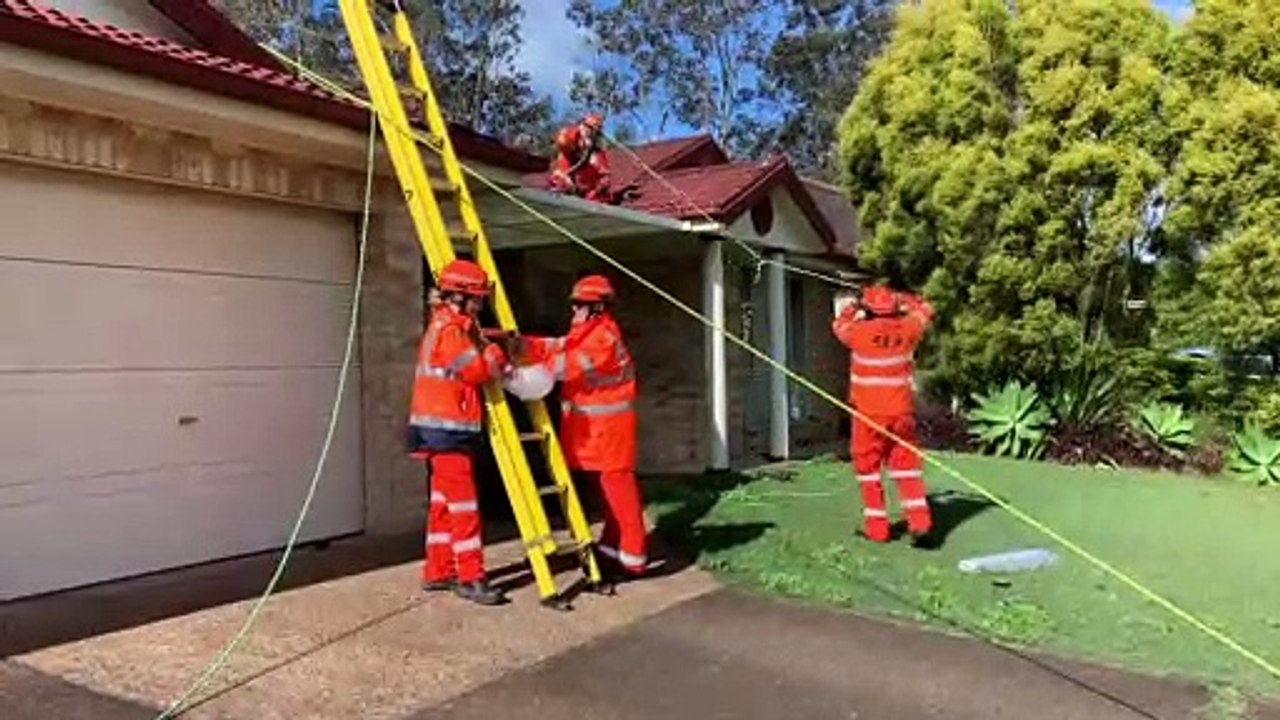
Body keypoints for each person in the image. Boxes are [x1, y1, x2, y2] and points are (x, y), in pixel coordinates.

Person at [520, 275, 648, 581]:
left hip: (610, 431)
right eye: (574, 304)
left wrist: (515, 370)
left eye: (581, 305)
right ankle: (611, 551)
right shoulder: (586, 332)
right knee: (608, 497)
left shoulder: (603, 337)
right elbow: (557, 346)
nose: (574, 310)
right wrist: (522, 344)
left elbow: (565, 366)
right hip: (596, 431)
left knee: (621, 497)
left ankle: (634, 561)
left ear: (598, 308)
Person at [409, 259, 511, 605]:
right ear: (460, 297)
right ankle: (471, 578)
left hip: (437, 433)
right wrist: (496, 355)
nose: (480, 306)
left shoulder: (445, 325)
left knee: (442, 504)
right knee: (464, 508)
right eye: (477, 300)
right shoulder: (450, 331)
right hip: (449, 435)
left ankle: (438, 571)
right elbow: (475, 371)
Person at [831, 284, 936, 546]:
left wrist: (855, 307)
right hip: (901, 413)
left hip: (868, 416)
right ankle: (920, 522)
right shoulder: (909, 329)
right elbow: (926, 309)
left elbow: (838, 324)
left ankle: (878, 530)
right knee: (906, 468)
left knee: (868, 469)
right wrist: (903, 298)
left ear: (869, 311)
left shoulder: (858, 332)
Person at [548, 113, 613, 203]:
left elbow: (604, 174)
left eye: (594, 131)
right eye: (587, 127)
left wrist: (603, 184)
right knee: (560, 180)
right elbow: (562, 142)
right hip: (565, 175)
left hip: (585, 192)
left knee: (600, 190)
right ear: (581, 126)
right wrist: (581, 142)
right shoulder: (570, 135)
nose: (589, 132)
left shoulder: (597, 153)